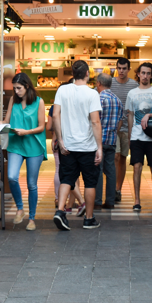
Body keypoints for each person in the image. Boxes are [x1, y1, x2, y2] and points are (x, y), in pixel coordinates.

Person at [52, 60, 103, 231]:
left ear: (72, 74)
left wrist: (60, 140)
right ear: (88, 74)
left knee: (67, 178)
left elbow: (56, 116)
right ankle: (88, 219)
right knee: (89, 183)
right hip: (87, 147)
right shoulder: (92, 94)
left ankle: (60, 211)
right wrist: (99, 147)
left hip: (68, 146)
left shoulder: (62, 90)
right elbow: (95, 122)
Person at [3, 73, 46, 231]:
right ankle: (20, 209)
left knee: (31, 184)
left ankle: (32, 218)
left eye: (19, 88)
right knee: (12, 176)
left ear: (27, 86)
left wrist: (26, 132)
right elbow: (6, 121)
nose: (16, 91)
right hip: (15, 144)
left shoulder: (39, 102)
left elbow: (42, 126)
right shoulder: (13, 100)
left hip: (33, 145)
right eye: (14, 88)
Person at [125, 62, 152, 212]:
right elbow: (130, 115)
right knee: (137, 167)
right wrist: (130, 136)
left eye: (148, 73)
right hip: (137, 137)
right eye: (143, 73)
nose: (145, 76)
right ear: (138, 74)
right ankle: (137, 200)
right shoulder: (132, 93)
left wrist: (149, 115)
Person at [48, 81, 84, 216]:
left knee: (62, 172)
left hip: (60, 141)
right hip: (74, 142)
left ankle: (61, 203)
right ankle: (71, 204)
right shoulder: (74, 104)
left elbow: (50, 126)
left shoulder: (56, 106)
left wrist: (54, 138)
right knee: (74, 174)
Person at [109, 58, 138, 204]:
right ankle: (112, 189)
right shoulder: (110, 83)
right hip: (112, 128)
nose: (121, 71)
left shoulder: (134, 84)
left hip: (128, 128)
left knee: (122, 159)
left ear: (129, 69)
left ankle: (118, 189)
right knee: (115, 156)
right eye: (119, 68)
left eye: (124, 68)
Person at [94, 72, 123, 211]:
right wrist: (113, 132)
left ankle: (97, 202)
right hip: (111, 140)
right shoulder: (117, 100)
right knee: (111, 171)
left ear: (99, 83)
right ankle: (110, 201)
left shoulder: (98, 99)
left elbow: (95, 120)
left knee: (97, 170)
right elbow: (120, 121)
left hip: (98, 141)